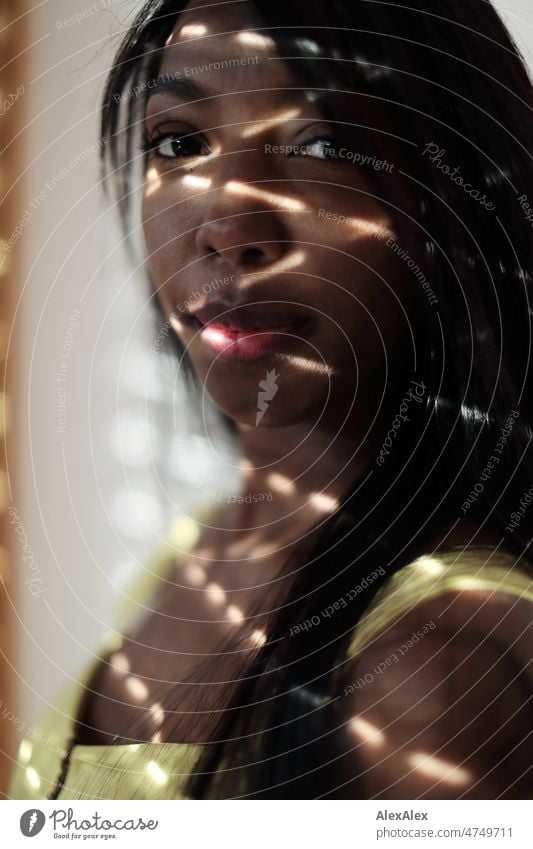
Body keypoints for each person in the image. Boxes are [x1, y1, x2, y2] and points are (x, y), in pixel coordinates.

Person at [10, 0, 533, 800]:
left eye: (325, 143)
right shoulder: (198, 548)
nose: (226, 219)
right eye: (180, 142)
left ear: (453, 207)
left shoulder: (441, 670)